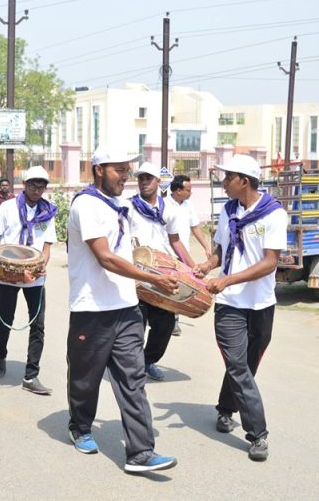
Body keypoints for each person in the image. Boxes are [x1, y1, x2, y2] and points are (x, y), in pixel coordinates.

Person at [66, 146, 178, 474]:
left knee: (133, 378)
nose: (125, 176)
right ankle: (81, 427)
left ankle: (140, 452)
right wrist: (151, 279)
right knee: (85, 379)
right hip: (91, 308)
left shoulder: (121, 206)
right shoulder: (86, 205)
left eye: (127, 170)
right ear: (98, 169)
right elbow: (106, 257)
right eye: (119, 170)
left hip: (127, 307)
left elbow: (131, 250)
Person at [192, 154, 287, 462]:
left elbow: (270, 261)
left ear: (244, 181)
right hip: (230, 303)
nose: (223, 181)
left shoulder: (273, 214)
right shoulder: (228, 210)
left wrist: (229, 279)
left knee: (246, 366)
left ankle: (224, 408)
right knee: (237, 366)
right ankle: (258, 434)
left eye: (228, 177)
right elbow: (223, 250)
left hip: (261, 303)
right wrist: (208, 265)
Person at [0, 166, 56, 395]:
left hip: (34, 278)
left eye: (41, 186)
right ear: (24, 185)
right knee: (6, 319)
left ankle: (31, 374)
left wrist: (39, 268)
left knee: (38, 325)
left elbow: (46, 248)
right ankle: (0, 356)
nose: (37, 190)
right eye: (33, 185)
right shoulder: (7, 208)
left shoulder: (48, 212)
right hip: (9, 276)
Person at [128, 162, 189, 382]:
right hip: (138, 276)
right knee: (136, 325)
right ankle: (132, 369)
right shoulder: (128, 208)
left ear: (158, 181)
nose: (144, 182)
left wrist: (192, 269)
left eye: (148, 178)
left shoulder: (169, 209)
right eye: (141, 178)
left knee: (165, 325)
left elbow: (176, 242)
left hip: (164, 276)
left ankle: (148, 360)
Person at [168, 174, 212, 336]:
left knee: (182, 285)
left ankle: (175, 319)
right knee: (171, 285)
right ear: (178, 190)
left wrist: (206, 246)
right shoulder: (164, 204)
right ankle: (169, 320)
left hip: (183, 253)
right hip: (168, 254)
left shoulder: (188, 205)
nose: (190, 192)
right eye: (188, 190)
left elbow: (196, 227)